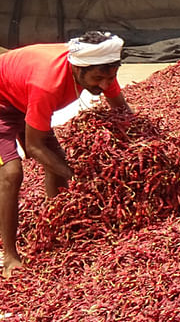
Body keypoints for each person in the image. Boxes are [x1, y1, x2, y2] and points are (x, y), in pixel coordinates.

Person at [0, 31, 129, 278]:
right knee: (11, 173)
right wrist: (79, 179)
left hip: (23, 98)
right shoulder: (47, 84)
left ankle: (54, 225)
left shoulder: (103, 67)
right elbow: (34, 146)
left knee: (56, 160)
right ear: (77, 69)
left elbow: (123, 110)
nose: (104, 85)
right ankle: (9, 256)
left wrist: (142, 137)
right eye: (98, 79)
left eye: (110, 78)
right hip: (2, 103)